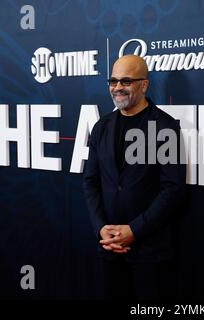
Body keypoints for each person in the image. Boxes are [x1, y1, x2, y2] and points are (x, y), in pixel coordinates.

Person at [83, 55, 186, 300]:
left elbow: (173, 189)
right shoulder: (102, 127)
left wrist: (134, 230)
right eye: (113, 80)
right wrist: (101, 229)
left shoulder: (164, 127)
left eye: (126, 81)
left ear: (144, 85)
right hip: (109, 248)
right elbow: (91, 181)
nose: (117, 87)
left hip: (149, 252)